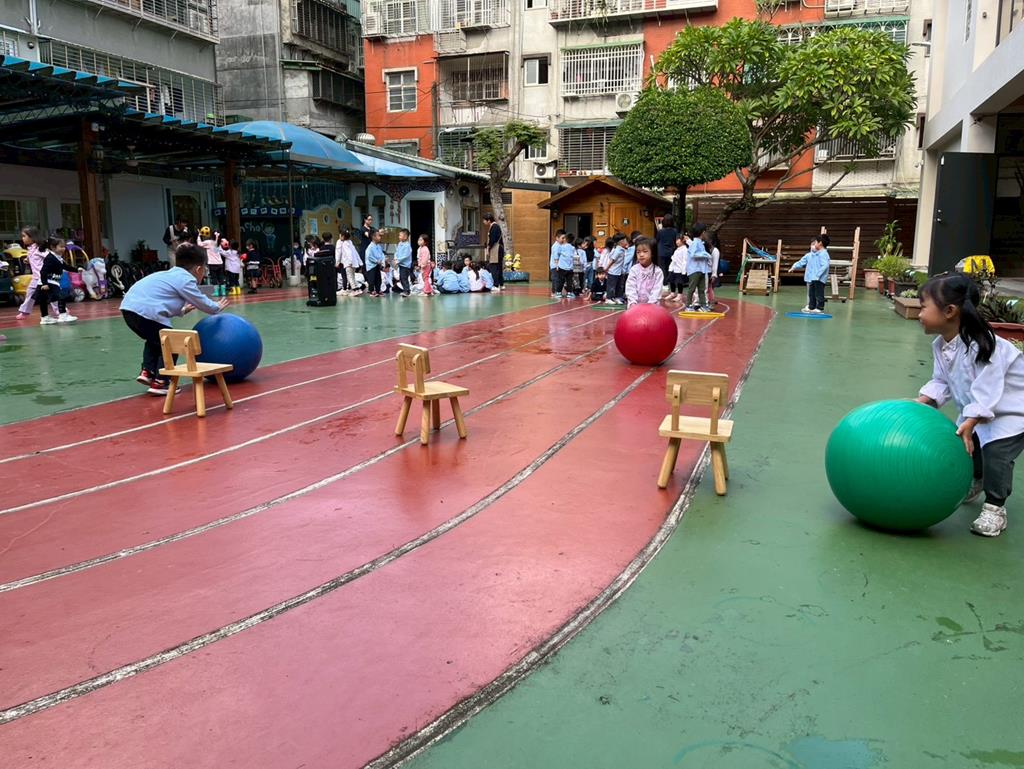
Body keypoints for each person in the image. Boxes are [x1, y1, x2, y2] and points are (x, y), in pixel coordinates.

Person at [916, 273, 1024, 537]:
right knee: (967, 445)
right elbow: (941, 379)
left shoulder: (985, 345)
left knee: (996, 455)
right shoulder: (941, 344)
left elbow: (989, 388)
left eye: (923, 307)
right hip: (979, 409)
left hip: (1012, 412)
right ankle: (975, 481)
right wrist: (924, 400)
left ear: (949, 311)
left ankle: (995, 507)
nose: (919, 314)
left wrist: (972, 419)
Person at [120, 243, 229, 395]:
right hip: (147, 312)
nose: (204, 274)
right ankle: (161, 382)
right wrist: (215, 307)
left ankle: (148, 371)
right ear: (198, 269)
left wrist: (182, 310)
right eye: (205, 270)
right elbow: (200, 300)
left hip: (129, 310)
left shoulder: (168, 275)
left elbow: (160, 300)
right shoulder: (186, 279)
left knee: (156, 340)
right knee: (171, 344)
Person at [15, 226, 58, 320]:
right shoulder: (30, 249)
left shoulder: (40, 248)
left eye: (24, 236)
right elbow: (33, 257)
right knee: (29, 294)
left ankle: (61, 311)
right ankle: (24, 311)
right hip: (35, 278)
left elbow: (49, 257)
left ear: (32, 237)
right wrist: (27, 259)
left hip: (44, 277)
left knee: (51, 294)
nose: (22, 238)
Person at [35, 238, 77, 325]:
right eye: (61, 247)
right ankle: (63, 315)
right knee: (61, 296)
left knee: (44, 300)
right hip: (48, 282)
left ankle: (45, 317)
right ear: (53, 247)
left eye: (64, 247)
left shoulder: (58, 258)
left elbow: (66, 267)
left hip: (51, 282)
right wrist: (45, 284)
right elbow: (43, 271)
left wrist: (77, 270)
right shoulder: (50, 258)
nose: (63, 249)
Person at [789, 234, 831, 314]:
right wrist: (794, 266)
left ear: (820, 243)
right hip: (812, 278)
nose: (813, 246)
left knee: (819, 293)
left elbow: (825, 265)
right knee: (811, 293)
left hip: (819, 279)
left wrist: (818, 275)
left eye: (815, 243)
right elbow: (802, 262)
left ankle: (819, 307)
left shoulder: (823, 254)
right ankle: (811, 307)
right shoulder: (812, 254)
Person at [625, 238, 665, 307]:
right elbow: (630, 287)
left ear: (652, 253)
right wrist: (633, 303)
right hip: (635, 307)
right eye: (638, 252)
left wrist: (650, 305)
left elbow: (657, 290)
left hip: (652, 307)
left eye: (645, 251)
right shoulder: (634, 270)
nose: (641, 255)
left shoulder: (657, 271)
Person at [685, 224, 712, 311]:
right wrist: (704, 254)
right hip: (694, 270)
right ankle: (688, 305)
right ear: (703, 232)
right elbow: (693, 254)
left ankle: (703, 305)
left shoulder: (701, 243)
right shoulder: (695, 243)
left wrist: (706, 255)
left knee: (702, 289)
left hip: (702, 270)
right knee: (692, 288)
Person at [605, 232, 628, 305]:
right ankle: (609, 298)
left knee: (619, 286)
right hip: (613, 272)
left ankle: (617, 297)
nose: (626, 241)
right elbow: (612, 260)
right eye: (625, 240)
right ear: (621, 242)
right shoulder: (618, 251)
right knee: (611, 286)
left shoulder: (621, 249)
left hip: (620, 271)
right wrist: (606, 268)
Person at [483, 213, 504, 291]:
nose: (484, 222)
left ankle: (496, 285)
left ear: (489, 220)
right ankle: (501, 284)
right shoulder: (496, 226)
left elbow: (493, 239)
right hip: (499, 248)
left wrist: (488, 248)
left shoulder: (494, 227)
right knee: (499, 266)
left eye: (484, 220)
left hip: (496, 249)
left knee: (493, 266)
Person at [667, 233, 688, 302]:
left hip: (680, 269)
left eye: (678, 239)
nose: (677, 241)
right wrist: (670, 268)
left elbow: (685, 260)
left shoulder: (685, 249)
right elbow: (673, 259)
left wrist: (683, 271)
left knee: (679, 282)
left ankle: (679, 295)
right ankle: (672, 293)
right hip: (674, 269)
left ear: (683, 240)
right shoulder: (677, 249)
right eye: (676, 240)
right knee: (671, 280)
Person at [554, 232, 576, 299]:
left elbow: (556, 256)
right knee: (569, 281)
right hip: (570, 268)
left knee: (560, 280)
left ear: (565, 239)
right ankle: (569, 293)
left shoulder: (561, 247)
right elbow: (574, 256)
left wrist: (556, 265)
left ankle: (558, 293)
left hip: (562, 267)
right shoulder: (573, 248)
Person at [364, 229, 385, 297]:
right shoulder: (370, 247)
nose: (380, 237)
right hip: (371, 266)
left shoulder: (378, 246)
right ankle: (371, 290)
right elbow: (369, 256)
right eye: (378, 236)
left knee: (378, 278)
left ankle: (378, 290)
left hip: (377, 265)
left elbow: (381, 254)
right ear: (373, 237)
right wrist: (376, 261)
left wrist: (382, 261)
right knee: (371, 279)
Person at [203, 231, 225, 296]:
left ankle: (216, 292)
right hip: (220, 263)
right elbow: (217, 251)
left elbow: (200, 244)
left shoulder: (209, 243)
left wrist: (199, 236)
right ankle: (223, 292)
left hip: (212, 263)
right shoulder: (219, 244)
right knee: (221, 277)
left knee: (214, 278)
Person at [394, 228, 414, 298]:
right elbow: (397, 251)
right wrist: (395, 258)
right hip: (401, 264)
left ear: (405, 237)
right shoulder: (400, 243)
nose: (399, 237)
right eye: (399, 235)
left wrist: (398, 260)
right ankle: (405, 290)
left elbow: (405, 256)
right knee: (401, 278)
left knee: (404, 278)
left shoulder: (407, 245)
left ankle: (407, 291)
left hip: (405, 265)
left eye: (400, 235)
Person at [707, 234, 722, 307]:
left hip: (711, 272)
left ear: (711, 241)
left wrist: (714, 275)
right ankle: (709, 300)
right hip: (706, 271)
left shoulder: (715, 251)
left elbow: (715, 264)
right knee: (708, 288)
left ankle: (711, 301)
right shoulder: (706, 249)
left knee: (709, 287)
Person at [549, 229, 565, 296]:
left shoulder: (561, 245)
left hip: (560, 265)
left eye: (564, 238)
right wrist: (557, 265)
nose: (564, 239)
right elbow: (556, 257)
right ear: (557, 238)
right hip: (555, 266)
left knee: (559, 279)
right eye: (562, 238)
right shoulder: (556, 246)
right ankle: (554, 292)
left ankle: (558, 291)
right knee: (555, 279)